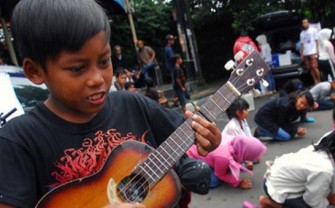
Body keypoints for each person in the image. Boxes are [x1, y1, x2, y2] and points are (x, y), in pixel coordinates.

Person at [0, 0, 222, 208]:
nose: (98, 78)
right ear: (35, 71)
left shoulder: (133, 104)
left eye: (104, 61)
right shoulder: (17, 141)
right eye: (77, 68)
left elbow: (189, 132)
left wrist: (207, 137)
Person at [259, 128, 335, 208]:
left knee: (322, 188)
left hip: (275, 178)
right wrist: (328, 201)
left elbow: (334, 181)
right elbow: (312, 202)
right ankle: (270, 203)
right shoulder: (323, 168)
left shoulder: (319, 149)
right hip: (275, 187)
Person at [187, 135, 267, 190]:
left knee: (234, 166)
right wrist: (238, 182)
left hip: (212, 155)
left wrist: (243, 165)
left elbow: (237, 158)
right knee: (215, 181)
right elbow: (220, 174)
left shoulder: (235, 142)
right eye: (255, 155)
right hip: (193, 156)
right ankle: (188, 180)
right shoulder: (224, 157)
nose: (257, 157)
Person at [300, 18, 321, 84]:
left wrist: (318, 50)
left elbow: (317, 41)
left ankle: (319, 80)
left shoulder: (313, 30)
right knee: (310, 68)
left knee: (314, 67)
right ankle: (315, 81)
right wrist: (302, 54)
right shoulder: (302, 33)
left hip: (313, 51)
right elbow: (302, 44)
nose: (305, 24)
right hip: (306, 52)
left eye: (306, 22)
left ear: (308, 23)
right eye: (303, 23)